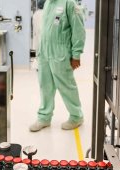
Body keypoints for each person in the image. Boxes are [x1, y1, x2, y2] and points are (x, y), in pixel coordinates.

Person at [30, 0, 86, 131]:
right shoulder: (48, 3)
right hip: (44, 53)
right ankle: (44, 117)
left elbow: (78, 30)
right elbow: (45, 29)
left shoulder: (69, 3)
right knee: (45, 86)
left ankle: (76, 116)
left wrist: (76, 54)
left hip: (60, 52)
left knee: (66, 86)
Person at [32, 0, 46, 69]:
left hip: (36, 35)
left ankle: (38, 66)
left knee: (38, 51)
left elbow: (34, 26)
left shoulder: (35, 14)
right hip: (44, 36)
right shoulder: (46, 13)